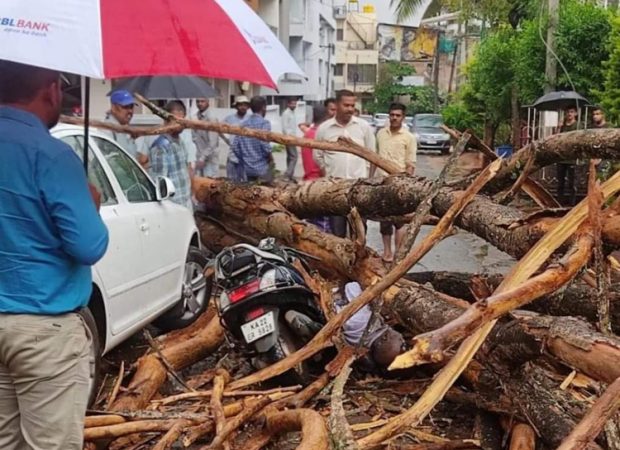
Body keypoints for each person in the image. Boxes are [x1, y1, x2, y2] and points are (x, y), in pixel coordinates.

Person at [0, 60, 109, 449]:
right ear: (50, 89)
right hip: (45, 333)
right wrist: (90, 204)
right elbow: (89, 245)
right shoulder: (52, 156)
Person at [315, 89, 376, 237]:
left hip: (359, 189)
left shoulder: (363, 127)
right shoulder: (324, 129)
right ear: (337, 105)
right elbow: (317, 156)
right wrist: (329, 177)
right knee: (337, 234)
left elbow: (373, 156)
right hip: (335, 190)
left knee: (359, 233)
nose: (350, 109)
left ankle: (358, 260)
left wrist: (367, 181)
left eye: (352, 105)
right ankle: (340, 260)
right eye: (346, 105)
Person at [370, 102, 417, 263]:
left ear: (403, 117)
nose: (394, 118)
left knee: (400, 221)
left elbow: (411, 163)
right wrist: (370, 179)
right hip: (382, 183)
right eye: (392, 115)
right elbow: (374, 158)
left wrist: (408, 185)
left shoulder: (409, 138)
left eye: (397, 115)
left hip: (400, 184)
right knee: (385, 221)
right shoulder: (381, 134)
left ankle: (398, 254)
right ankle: (387, 253)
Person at [335, 282, 405, 371]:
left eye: (402, 343)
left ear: (384, 338)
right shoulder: (358, 342)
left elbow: (351, 286)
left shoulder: (363, 319)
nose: (402, 338)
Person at [148, 101, 194, 209]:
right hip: (173, 207)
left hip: (186, 202)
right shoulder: (161, 147)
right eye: (175, 121)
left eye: (182, 122)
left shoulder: (180, 141)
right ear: (166, 120)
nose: (179, 125)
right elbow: (159, 185)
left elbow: (186, 170)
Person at [301, 105, 331, 232]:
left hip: (307, 183)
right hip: (320, 183)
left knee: (311, 226)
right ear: (326, 117)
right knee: (324, 228)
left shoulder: (307, 134)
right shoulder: (322, 136)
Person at [231, 96, 273, 184]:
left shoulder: (243, 124)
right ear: (263, 108)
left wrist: (244, 159)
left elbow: (235, 146)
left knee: (251, 194)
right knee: (265, 194)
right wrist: (270, 156)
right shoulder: (264, 123)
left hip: (247, 168)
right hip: (262, 168)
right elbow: (264, 144)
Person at [104, 89, 148, 168]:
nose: (130, 111)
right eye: (125, 107)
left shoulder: (125, 128)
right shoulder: (107, 130)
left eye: (131, 107)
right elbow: (111, 162)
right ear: (114, 108)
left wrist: (139, 157)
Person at [223, 95, 251, 181]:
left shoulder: (251, 119)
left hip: (247, 157)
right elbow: (220, 130)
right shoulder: (229, 119)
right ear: (236, 106)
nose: (243, 107)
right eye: (240, 105)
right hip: (233, 156)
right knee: (231, 184)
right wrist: (228, 140)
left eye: (245, 105)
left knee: (246, 185)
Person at [556, 106, 580, 205]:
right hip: (561, 157)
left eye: (571, 112)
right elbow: (556, 138)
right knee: (560, 182)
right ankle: (559, 202)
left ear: (575, 113)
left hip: (572, 158)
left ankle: (572, 203)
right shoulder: (563, 126)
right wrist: (559, 127)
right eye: (567, 112)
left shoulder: (578, 125)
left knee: (572, 183)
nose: (569, 114)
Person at [192, 97, 220, 177]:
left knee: (209, 185)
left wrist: (203, 158)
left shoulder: (211, 118)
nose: (200, 103)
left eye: (202, 101)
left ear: (208, 102)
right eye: (198, 101)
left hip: (209, 159)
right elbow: (195, 138)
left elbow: (212, 143)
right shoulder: (196, 116)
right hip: (199, 157)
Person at [281, 97, 299, 180]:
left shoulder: (293, 112)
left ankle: (290, 175)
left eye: (295, 104)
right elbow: (285, 128)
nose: (294, 105)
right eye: (292, 103)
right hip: (289, 138)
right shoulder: (286, 113)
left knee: (290, 157)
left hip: (293, 138)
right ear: (288, 104)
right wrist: (289, 138)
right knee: (294, 157)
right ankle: (287, 174)